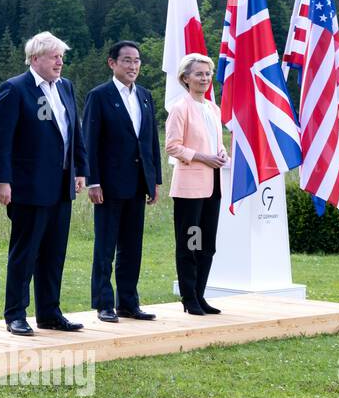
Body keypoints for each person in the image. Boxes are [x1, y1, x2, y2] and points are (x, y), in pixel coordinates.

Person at [0, 32, 88, 336]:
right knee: (25, 252)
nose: (60, 62)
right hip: (28, 187)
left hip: (61, 186)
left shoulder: (66, 87)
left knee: (54, 251)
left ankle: (49, 312)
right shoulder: (15, 89)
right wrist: (2, 181)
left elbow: (74, 131)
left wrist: (80, 169)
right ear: (35, 59)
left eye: (62, 56)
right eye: (54, 56)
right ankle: (15, 314)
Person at [82, 41, 163, 322]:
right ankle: (104, 303)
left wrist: (154, 181)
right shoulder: (100, 95)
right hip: (108, 184)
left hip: (138, 183)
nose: (133, 66)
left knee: (132, 246)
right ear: (112, 63)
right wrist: (93, 181)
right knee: (105, 247)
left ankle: (128, 302)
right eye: (127, 60)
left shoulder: (145, 96)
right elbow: (89, 142)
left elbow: (151, 140)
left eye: (137, 61)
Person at [165, 54, 229, 316]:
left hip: (213, 187)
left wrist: (222, 153)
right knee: (190, 244)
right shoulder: (180, 108)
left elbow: (216, 143)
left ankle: (200, 295)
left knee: (207, 246)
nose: (204, 78)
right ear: (185, 78)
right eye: (199, 74)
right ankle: (188, 297)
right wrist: (203, 157)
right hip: (190, 190)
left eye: (207, 73)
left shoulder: (214, 109)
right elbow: (172, 146)